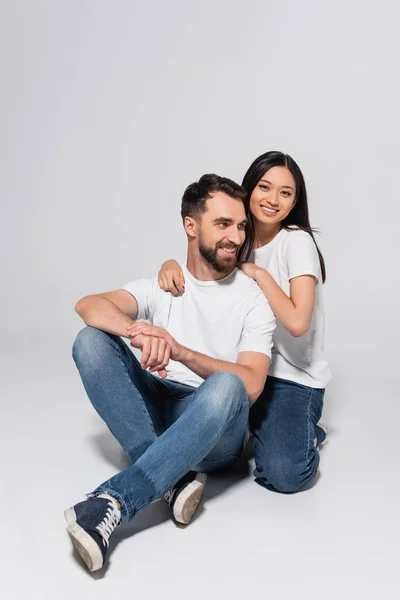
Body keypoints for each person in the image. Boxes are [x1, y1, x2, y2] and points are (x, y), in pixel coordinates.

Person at [66, 174, 275, 572]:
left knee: (228, 385)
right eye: (223, 224)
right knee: (89, 341)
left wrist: (179, 350)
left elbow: (251, 384)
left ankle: (112, 501)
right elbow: (88, 305)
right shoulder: (163, 284)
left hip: (213, 424)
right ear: (191, 225)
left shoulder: (253, 300)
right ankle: (170, 478)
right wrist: (139, 333)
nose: (236, 235)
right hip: (156, 401)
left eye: (241, 225)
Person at [158, 151, 331, 494]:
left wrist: (258, 273)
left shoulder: (296, 242)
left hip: (291, 380)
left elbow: (298, 321)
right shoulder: (239, 235)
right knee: (202, 444)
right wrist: (169, 262)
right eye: (265, 187)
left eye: (286, 192)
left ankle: (306, 432)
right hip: (246, 369)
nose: (273, 199)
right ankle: (261, 430)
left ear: (296, 201)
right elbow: (201, 262)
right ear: (249, 189)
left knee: (284, 475)